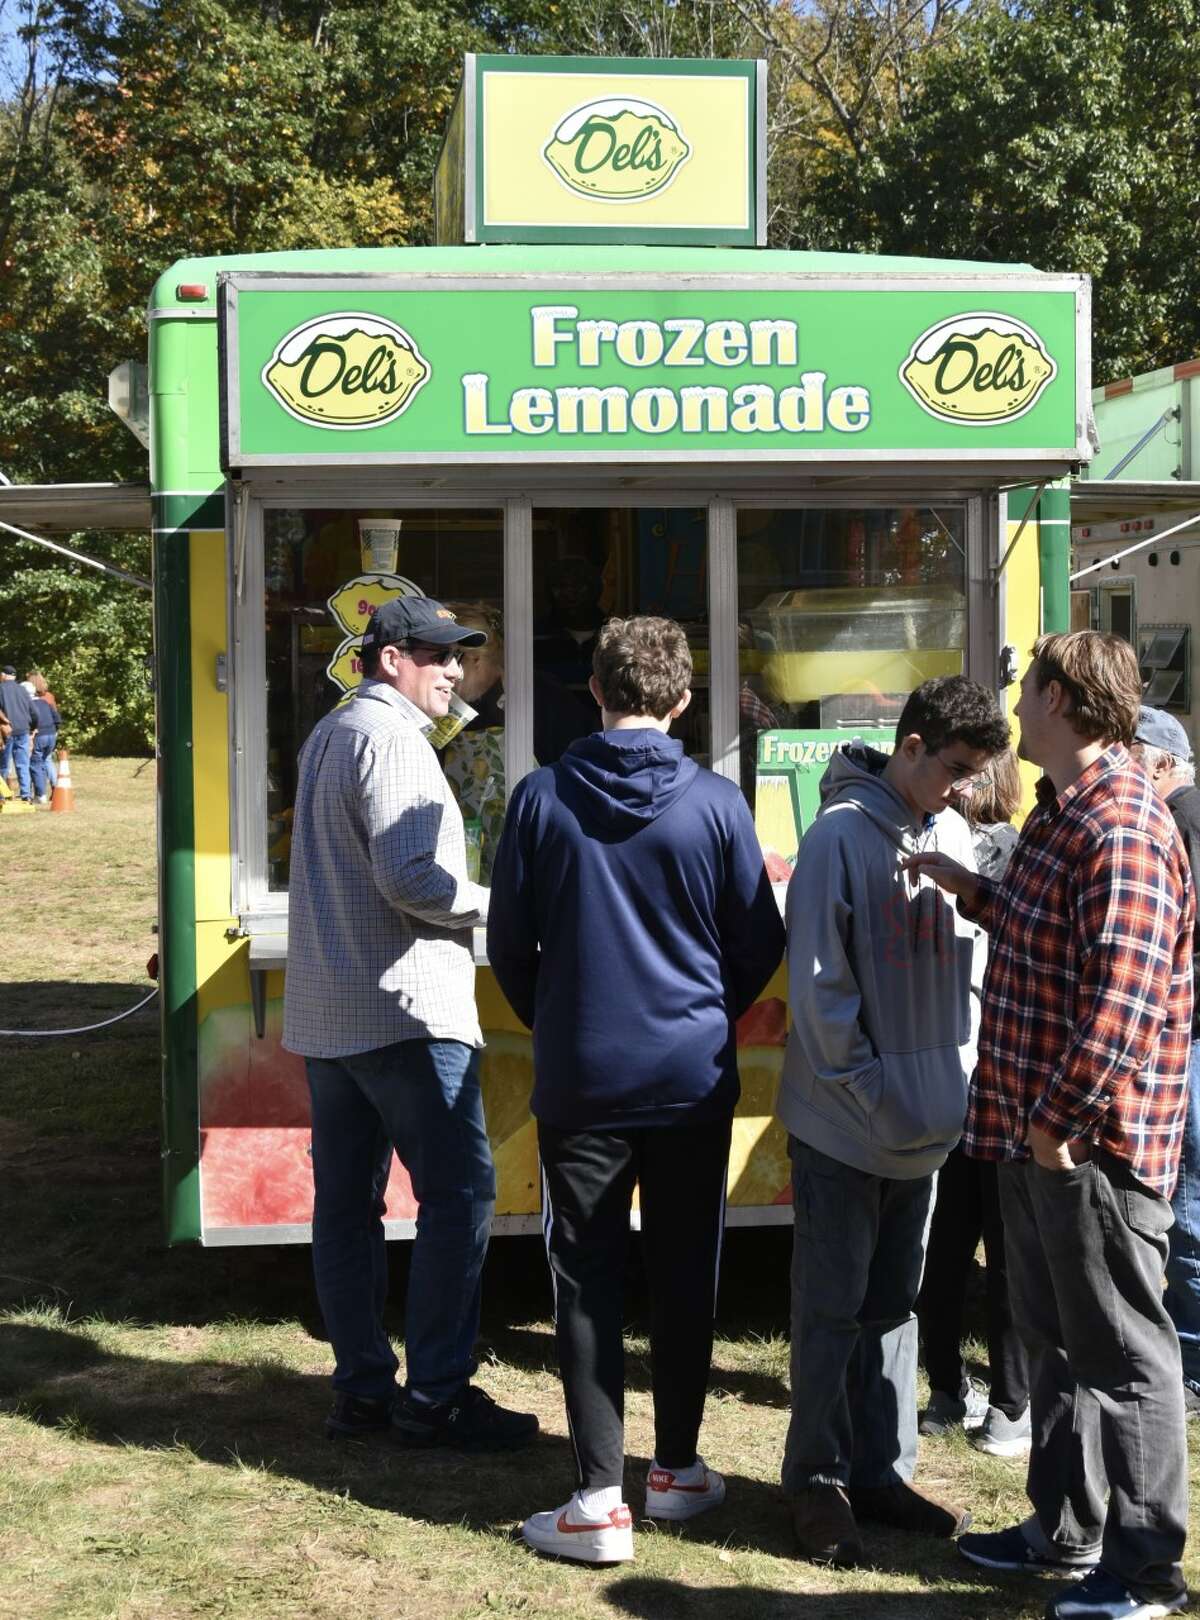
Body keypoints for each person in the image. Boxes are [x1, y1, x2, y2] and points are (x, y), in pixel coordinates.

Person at [487, 614, 785, 1565]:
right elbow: (758, 941)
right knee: (686, 1268)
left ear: (594, 690)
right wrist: (702, 1011)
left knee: (586, 1280)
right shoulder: (716, 804)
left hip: (585, 1077)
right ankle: (678, 1470)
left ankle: (595, 1498)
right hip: (690, 1075)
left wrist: (567, 1017)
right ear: (686, 700)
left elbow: (508, 946)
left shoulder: (540, 798)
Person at [910, 632, 1193, 1620]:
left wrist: (1058, 1128)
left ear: (1064, 700)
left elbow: (1125, 1001)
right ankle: (1064, 1533)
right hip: (1040, 1136)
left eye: (1025, 690)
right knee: (1061, 1348)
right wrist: (972, 893)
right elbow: (1051, 940)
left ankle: (1147, 1569)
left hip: (1092, 1150)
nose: (1012, 709)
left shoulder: (1120, 823)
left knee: (1122, 1358)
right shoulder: (1063, 812)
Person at [282, 595, 538, 1454]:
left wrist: (453, 695)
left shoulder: (340, 729)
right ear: (390, 659)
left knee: (345, 1212)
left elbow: (441, 724)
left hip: (333, 1016)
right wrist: (511, 909)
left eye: (461, 654)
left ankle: (361, 1391)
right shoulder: (389, 741)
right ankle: (433, 1396)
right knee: (459, 1198)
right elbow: (414, 881)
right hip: (403, 1013)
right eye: (438, 655)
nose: (457, 670)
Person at [778, 675, 1010, 1568]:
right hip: (847, 1125)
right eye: (953, 768)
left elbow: (973, 973)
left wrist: (952, 1080)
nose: (962, 788)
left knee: (892, 1310)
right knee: (831, 1309)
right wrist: (877, 1091)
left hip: (922, 1128)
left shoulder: (949, 832)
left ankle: (881, 1471)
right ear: (910, 745)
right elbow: (821, 992)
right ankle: (818, 1484)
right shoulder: (837, 838)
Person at [917, 747, 1031, 1457]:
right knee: (1000, 1248)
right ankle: (1004, 1403)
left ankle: (949, 1389)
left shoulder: (947, 846)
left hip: (960, 1065)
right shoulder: (1018, 849)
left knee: (953, 1241)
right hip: (994, 1070)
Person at [1129, 705, 1200, 1422]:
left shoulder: (1181, 821)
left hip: (1188, 1041)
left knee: (1186, 1209)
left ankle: (1190, 1363)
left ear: (1158, 763)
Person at [0, 665, 35, 804]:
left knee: (3, 764)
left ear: (3, 675)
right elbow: (33, 711)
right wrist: (33, 727)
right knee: (23, 763)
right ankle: (26, 795)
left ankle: (2, 795)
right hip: (23, 730)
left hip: (7, 730)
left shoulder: (1, 689)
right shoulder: (23, 689)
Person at [29, 680, 61, 806]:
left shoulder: (28, 704)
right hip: (51, 735)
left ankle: (40, 794)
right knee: (47, 760)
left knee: (36, 764)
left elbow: (30, 721)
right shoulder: (45, 702)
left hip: (39, 735)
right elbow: (57, 719)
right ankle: (56, 788)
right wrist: (55, 732)